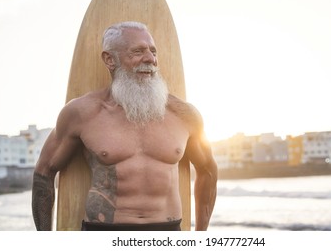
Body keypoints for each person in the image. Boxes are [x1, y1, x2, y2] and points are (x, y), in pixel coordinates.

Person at [32, 21, 217, 231]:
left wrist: (201, 236)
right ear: (110, 59)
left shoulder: (184, 115)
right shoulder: (81, 113)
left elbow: (208, 171)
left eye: (153, 51)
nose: (150, 59)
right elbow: (43, 173)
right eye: (138, 51)